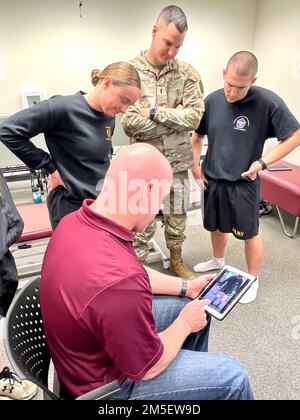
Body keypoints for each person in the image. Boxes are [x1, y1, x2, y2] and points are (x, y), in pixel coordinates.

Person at [40, 143, 254, 400]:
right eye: (160, 200)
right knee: (234, 378)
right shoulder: (119, 279)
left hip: (82, 354)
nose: (158, 211)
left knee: (190, 305)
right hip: (107, 391)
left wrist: (187, 287)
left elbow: (131, 273)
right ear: (146, 192)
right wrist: (185, 324)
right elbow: (149, 366)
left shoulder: (77, 222)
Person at [191, 51, 300, 303]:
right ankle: (217, 260)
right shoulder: (213, 100)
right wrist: (195, 164)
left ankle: (253, 279)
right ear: (223, 74)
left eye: (240, 87)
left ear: (253, 80)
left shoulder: (267, 102)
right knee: (216, 225)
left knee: (249, 233)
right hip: (213, 178)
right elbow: (197, 136)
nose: (232, 92)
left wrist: (263, 162)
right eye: (229, 84)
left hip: (244, 182)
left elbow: (295, 135)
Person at [0, 62, 141, 229]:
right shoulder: (61, 107)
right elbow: (8, 131)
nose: (124, 109)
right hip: (70, 205)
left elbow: (100, 158)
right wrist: (49, 167)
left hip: (99, 203)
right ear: (107, 83)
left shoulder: (108, 115)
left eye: (129, 104)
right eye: (123, 100)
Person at [120, 5, 205, 280]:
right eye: (168, 43)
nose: (171, 52)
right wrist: (175, 117)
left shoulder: (188, 74)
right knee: (140, 221)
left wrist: (156, 113)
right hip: (142, 163)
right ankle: (138, 269)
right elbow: (129, 122)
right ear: (155, 31)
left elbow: (193, 118)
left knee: (177, 214)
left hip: (178, 162)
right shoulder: (130, 71)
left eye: (178, 46)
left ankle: (177, 261)